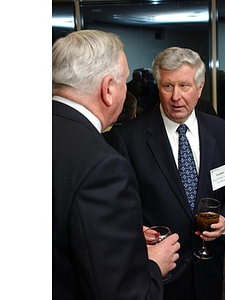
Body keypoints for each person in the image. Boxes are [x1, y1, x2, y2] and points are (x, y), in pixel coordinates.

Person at [105, 47, 225, 300]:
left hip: (209, 262)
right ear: (158, 87)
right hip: (160, 270)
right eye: (168, 86)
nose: (176, 97)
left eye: (184, 86)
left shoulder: (224, 132)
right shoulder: (128, 137)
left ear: (200, 88)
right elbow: (117, 205)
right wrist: (137, 230)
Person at [52, 30, 180, 300]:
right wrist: (154, 265)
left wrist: (127, 235)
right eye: (125, 81)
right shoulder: (103, 166)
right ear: (108, 89)